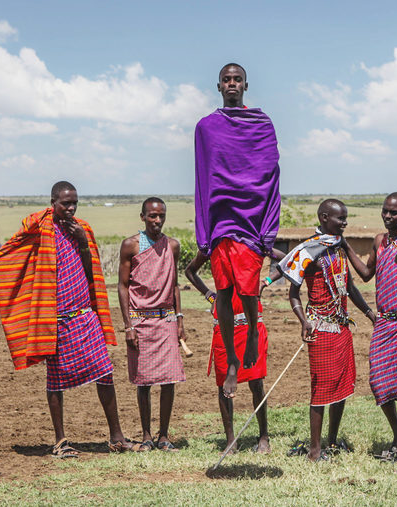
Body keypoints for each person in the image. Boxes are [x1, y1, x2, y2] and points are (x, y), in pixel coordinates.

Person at [0, 181, 139, 456]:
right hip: (55, 318)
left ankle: (117, 436)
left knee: (105, 373)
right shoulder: (39, 229)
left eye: (74, 203)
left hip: (85, 315)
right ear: (53, 202)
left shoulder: (83, 229)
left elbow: (90, 269)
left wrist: (83, 242)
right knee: (56, 380)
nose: (70, 208)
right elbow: (7, 254)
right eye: (65, 203)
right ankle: (60, 440)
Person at [194, 63, 281, 398]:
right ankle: (232, 359)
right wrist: (205, 227)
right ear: (219, 87)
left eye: (237, 79)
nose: (232, 83)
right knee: (225, 295)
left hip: (250, 219)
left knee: (247, 292)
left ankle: (254, 337)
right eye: (226, 80)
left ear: (246, 84)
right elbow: (203, 176)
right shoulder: (206, 127)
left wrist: (267, 229)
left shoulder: (261, 124)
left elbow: (270, 175)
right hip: (220, 220)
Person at [279, 199, 375, 462]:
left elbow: (351, 287)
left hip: (342, 326)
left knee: (341, 387)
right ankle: (314, 450)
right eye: (339, 218)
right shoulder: (309, 250)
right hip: (319, 327)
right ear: (324, 218)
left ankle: (331, 442)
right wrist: (303, 322)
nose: (344, 223)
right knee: (321, 388)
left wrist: (369, 313)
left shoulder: (340, 248)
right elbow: (294, 294)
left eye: (345, 218)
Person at [346, 193, 397, 462]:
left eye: (395, 213)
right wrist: (346, 248)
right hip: (385, 321)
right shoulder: (380, 241)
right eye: (385, 211)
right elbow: (367, 275)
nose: (389, 217)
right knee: (379, 381)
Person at [184, 248, 283, 455]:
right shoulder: (215, 245)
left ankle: (264, 436)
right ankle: (231, 440)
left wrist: (266, 281)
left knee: (256, 383)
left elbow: (289, 259)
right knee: (223, 385)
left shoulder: (252, 243)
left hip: (251, 327)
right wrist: (210, 296)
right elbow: (190, 271)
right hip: (225, 327)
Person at [117, 197, 186, 452]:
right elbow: (123, 287)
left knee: (169, 380)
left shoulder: (172, 246)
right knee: (143, 381)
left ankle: (164, 436)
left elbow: (175, 284)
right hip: (139, 320)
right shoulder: (130, 246)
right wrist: (128, 325)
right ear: (142, 217)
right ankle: (146, 436)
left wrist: (179, 319)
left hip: (166, 318)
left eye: (161, 216)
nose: (157, 221)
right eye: (152, 216)